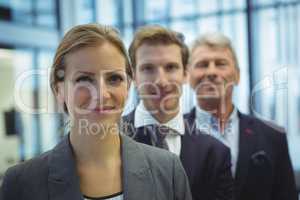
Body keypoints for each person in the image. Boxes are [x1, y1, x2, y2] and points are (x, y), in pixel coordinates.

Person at [0, 24, 192, 200]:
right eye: (84, 79)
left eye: (114, 79)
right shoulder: (21, 183)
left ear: (128, 86)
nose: (101, 94)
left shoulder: (168, 171)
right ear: (59, 90)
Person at [122, 25, 234, 200]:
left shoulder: (215, 154)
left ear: (185, 74)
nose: (161, 81)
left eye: (170, 67)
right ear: (134, 77)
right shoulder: (108, 138)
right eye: (148, 68)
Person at [186, 32, 298, 200]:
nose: (211, 71)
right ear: (188, 76)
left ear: (237, 75)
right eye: (202, 64)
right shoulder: (172, 135)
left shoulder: (273, 136)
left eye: (221, 64)